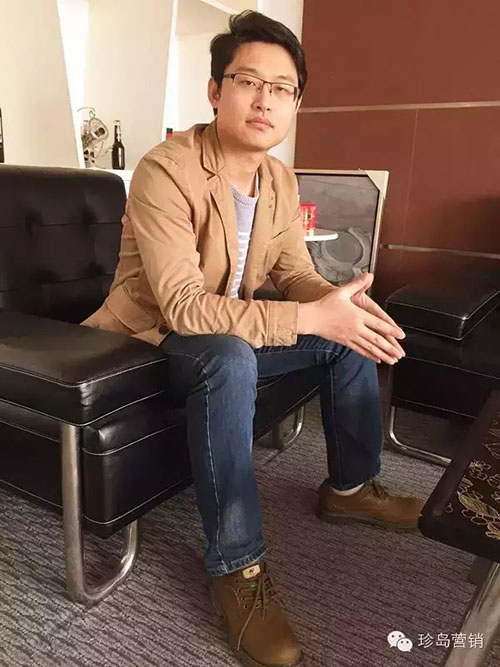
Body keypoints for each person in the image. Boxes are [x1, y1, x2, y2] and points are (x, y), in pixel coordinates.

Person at [82, 10, 424, 667]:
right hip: (146, 338)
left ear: (296, 103)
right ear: (216, 91)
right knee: (232, 358)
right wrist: (308, 318)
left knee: (343, 335)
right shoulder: (165, 170)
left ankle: (350, 488)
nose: (266, 100)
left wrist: (341, 305)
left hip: (220, 331)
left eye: (283, 88)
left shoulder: (279, 180)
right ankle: (237, 566)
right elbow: (184, 308)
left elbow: (293, 273)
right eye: (248, 82)